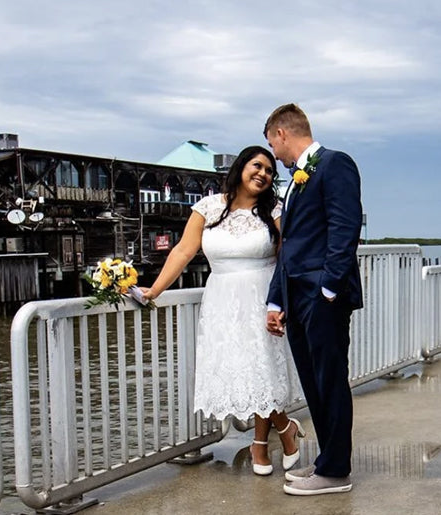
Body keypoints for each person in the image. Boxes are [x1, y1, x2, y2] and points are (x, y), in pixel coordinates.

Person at [141, 146, 305, 476]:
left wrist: (283, 302)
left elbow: (288, 255)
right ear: (241, 167)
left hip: (263, 295)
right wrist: (154, 290)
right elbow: (183, 251)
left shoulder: (273, 209)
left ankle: (260, 444)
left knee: (262, 369)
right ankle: (284, 427)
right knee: (242, 368)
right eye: (257, 166)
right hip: (222, 300)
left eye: (270, 171)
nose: (263, 174)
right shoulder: (208, 207)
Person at [264, 104, 363, 496]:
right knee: (314, 384)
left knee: (331, 381)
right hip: (297, 298)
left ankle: (337, 471)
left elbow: (345, 226)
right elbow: (289, 247)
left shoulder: (335, 163)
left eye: (271, 141)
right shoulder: (295, 181)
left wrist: (327, 289)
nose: (272, 151)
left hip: (322, 299)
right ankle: (326, 462)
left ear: (282, 133)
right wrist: (276, 301)